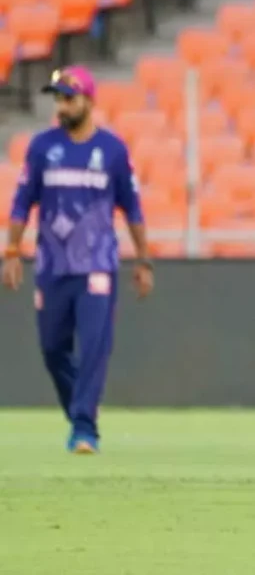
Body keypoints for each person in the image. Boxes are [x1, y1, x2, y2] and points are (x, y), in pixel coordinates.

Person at [1, 66, 154, 454]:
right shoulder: (42, 148)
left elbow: (132, 208)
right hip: (52, 266)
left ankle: (84, 428)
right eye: (57, 98)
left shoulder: (112, 151)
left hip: (97, 266)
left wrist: (144, 260)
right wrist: (12, 251)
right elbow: (21, 202)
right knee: (53, 348)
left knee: (94, 348)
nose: (62, 106)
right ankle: (82, 409)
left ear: (89, 100)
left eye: (69, 98)